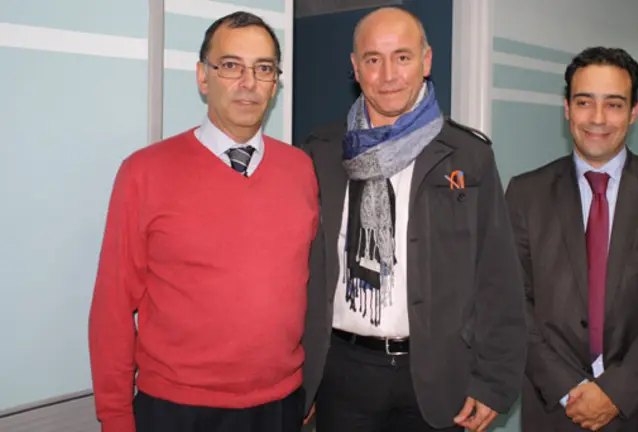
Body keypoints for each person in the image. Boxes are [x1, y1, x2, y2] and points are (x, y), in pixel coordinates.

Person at [87, 11, 318, 432]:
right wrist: (116, 417)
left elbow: (315, 287)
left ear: (275, 83)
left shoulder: (301, 169)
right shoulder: (144, 173)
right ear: (202, 77)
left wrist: (313, 382)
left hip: (281, 406)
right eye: (231, 66)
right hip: (177, 410)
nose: (248, 82)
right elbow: (112, 307)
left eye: (263, 68)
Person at [299, 6, 526, 432]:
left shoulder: (468, 156)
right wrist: (302, 375)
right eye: (373, 59)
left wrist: (495, 380)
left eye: (402, 57)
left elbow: (498, 276)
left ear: (426, 61)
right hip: (341, 371)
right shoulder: (320, 152)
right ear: (355, 68)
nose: (388, 75)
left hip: (439, 374)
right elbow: (297, 271)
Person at [505, 46, 638, 431]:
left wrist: (615, 392)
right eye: (584, 102)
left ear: (633, 112)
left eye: (614, 105)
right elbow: (514, 304)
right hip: (557, 407)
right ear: (567, 107)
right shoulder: (524, 194)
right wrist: (568, 388)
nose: (597, 119)